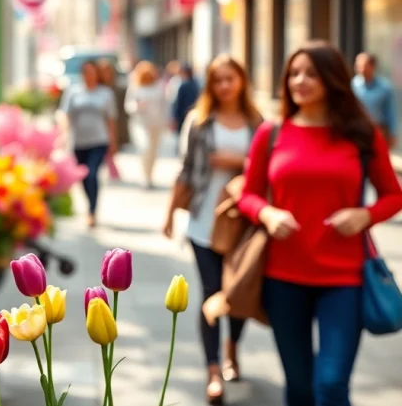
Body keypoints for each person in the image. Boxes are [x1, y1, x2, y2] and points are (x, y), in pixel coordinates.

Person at [238, 41, 402, 406]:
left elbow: (394, 194)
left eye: (311, 73)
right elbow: (248, 195)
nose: (300, 81)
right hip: (283, 278)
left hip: (344, 279)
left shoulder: (361, 134)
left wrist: (365, 215)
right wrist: (268, 213)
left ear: (332, 79)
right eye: (294, 73)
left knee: (330, 385)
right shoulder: (272, 132)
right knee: (298, 387)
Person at [162, 54, 264, 404]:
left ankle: (232, 349)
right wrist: (169, 215)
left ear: (241, 81)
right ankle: (213, 370)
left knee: (238, 293)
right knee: (211, 291)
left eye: (229, 79)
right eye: (217, 79)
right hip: (205, 221)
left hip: (246, 223)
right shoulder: (199, 121)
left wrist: (237, 162)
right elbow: (186, 171)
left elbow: (269, 170)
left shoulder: (257, 122)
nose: (224, 86)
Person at [60, 61, 118, 228]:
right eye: (86, 72)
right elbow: (65, 114)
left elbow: (111, 119)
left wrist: (113, 142)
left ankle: (92, 211)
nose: (89, 75)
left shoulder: (105, 93)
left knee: (92, 174)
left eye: (92, 72)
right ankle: (89, 203)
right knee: (83, 176)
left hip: (99, 141)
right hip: (79, 142)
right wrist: (64, 133)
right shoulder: (73, 92)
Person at [125, 61, 167, 188]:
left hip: (156, 125)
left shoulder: (158, 87)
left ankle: (149, 175)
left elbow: (164, 106)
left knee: (153, 152)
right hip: (140, 124)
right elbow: (128, 105)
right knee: (145, 148)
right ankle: (145, 176)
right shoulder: (135, 87)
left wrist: (167, 122)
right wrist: (137, 106)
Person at [352, 52, 397, 148]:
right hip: (357, 131)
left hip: (378, 130)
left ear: (373, 67)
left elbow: (391, 112)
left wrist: (393, 133)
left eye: (364, 65)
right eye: (358, 65)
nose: (361, 69)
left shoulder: (384, 87)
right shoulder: (352, 86)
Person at [97, 59, 125, 182]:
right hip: (98, 123)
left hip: (111, 122)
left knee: (110, 147)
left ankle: (112, 170)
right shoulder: (97, 88)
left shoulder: (116, 88)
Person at [171, 62, 201, 135]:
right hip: (193, 112)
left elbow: (178, 103)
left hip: (183, 115)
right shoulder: (196, 85)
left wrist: (175, 117)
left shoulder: (183, 86)